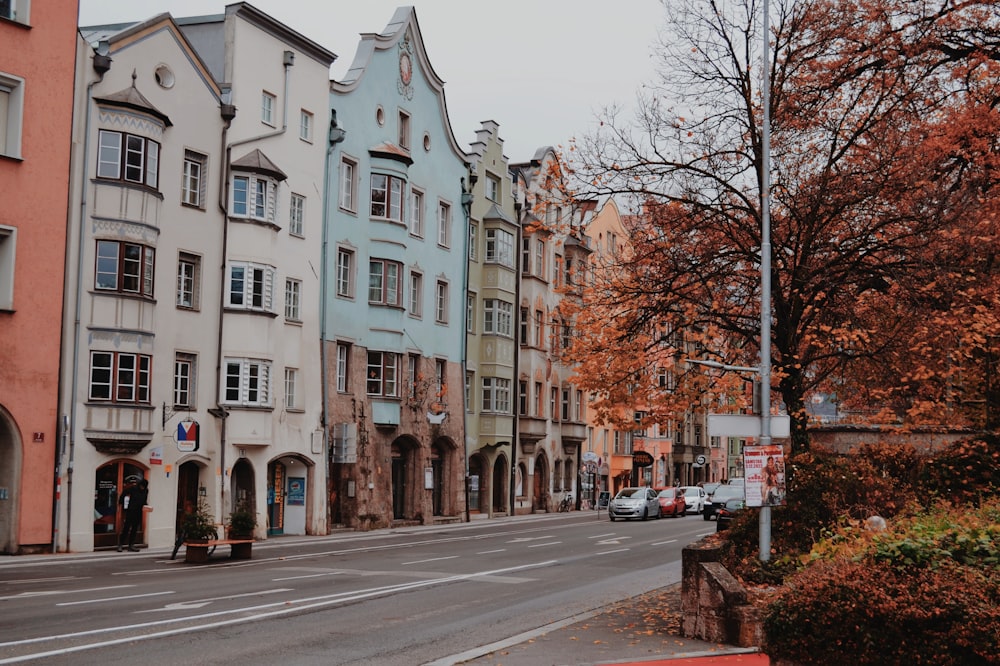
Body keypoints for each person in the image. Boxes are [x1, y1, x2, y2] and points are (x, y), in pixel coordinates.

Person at [118, 478, 150, 552]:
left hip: (139, 511)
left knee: (134, 529)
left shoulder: (146, 491)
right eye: (142, 486)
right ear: (140, 485)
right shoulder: (133, 488)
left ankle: (131, 545)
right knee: (126, 528)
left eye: (144, 487)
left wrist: (146, 506)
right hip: (131, 510)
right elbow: (124, 492)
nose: (142, 488)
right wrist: (121, 502)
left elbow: (144, 500)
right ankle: (120, 544)